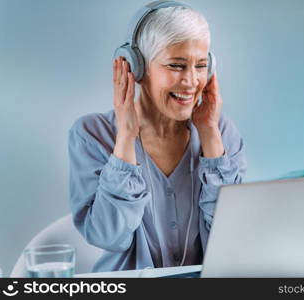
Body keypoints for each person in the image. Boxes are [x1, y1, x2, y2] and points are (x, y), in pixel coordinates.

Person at [68, 2, 247, 272]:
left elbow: (233, 237)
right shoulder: (92, 135)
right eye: (176, 65)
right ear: (136, 68)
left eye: (200, 66)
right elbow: (108, 237)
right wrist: (126, 137)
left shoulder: (220, 131)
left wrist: (209, 133)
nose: (191, 81)